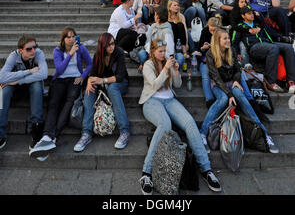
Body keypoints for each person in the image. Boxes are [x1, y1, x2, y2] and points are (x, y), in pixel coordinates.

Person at [138, 39, 221, 195]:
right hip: (151, 101)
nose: (163, 54)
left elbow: (177, 85)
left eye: (164, 51)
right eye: (160, 51)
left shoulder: (167, 63)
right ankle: (146, 173)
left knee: (190, 122)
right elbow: (154, 85)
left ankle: (206, 169)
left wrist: (175, 71)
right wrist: (165, 70)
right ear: (153, 51)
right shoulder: (148, 65)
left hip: (170, 99)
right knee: (165, 124)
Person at [199, 28, 279, 154]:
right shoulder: (210, 54)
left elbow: (237, 69)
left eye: (228, 38)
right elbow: (215, 77)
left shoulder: (232, 50)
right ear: (218, 41)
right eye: (225, 38)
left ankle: (264, 134)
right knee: (224, 99)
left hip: (232, 82)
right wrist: (229, 93)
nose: (228, 41)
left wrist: (236, 80)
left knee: (241, 97)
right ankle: (202, 133)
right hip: (218, 84)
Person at [29, 27, 92, 158]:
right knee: (53, 104)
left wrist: (82, 76)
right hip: (59, 80)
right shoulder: (57, 51)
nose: (71, 39)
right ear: (63, 39)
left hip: (75, 80)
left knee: (69, 103)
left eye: (73, 36)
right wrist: (70, 54)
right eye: (68, 37)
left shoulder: (81, 48)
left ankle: (52, 137)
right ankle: (47, 136)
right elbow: (60, 69)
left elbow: (91, 64)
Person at [74, 33, 130, 152]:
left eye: (113, 43)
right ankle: (86, 133)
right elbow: (93, 73)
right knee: (90, 89)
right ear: (102, 46)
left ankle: (124, 131)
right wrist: (90, 81)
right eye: (108, 45)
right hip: (103, 84)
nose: (112, 47)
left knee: (112, 88)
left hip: (119, 83)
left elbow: (120, 76)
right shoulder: (98, 55)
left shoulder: (119, 52)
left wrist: (103, 80)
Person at [232, 5, 295, 93]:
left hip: (267, 43)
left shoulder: (258, 25)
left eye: (252, 13)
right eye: (249, 14)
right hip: (254, 47)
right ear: (243, 16)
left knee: (288, 48)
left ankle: (291, 81)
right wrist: (237, 53)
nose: (252, 15)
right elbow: (234, 41)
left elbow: (269, 32)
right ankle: (271, 81)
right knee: (273, 48)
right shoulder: (240, 27)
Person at [0, 35, 48, 150]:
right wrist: (29, 71)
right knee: (3, 89)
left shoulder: (39, 53)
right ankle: (0, 132)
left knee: (37, 86)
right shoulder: (13, 56)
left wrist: (19, 81)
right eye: (29, 49)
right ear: (21, 50)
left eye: (34, 47)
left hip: (30, 87)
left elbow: (44, 74)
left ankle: (36, 127)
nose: (33, 50)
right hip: (16, 90)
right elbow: (2, 77)